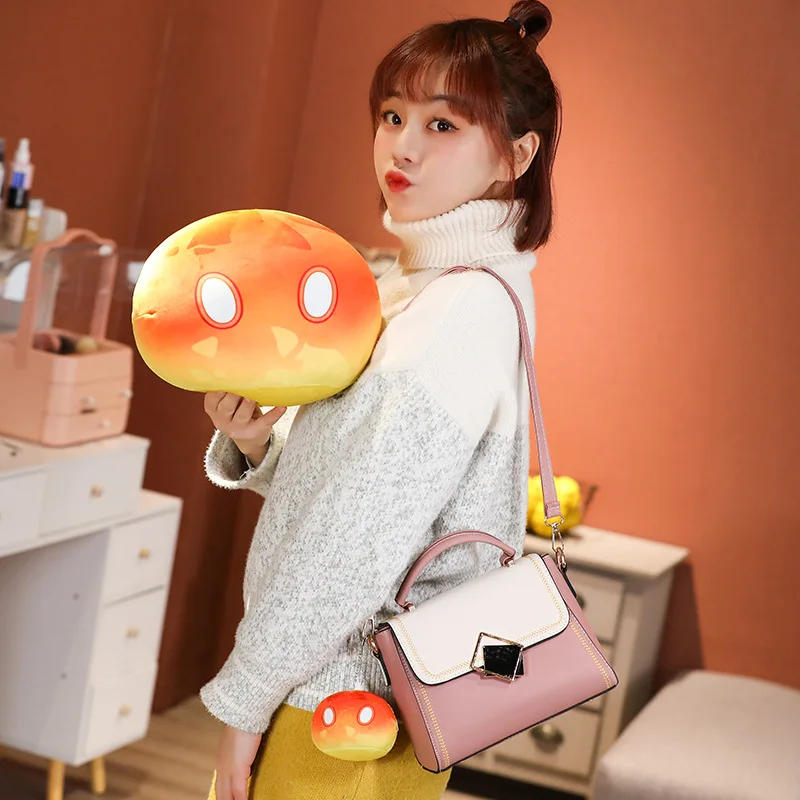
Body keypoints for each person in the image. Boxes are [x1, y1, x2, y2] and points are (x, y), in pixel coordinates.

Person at [202, 2, 561, 798]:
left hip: (344, 709)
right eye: (393, 115)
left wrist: (244, 701)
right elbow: (367, 495)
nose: (402, 145)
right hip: (351, 697)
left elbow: (352, 540)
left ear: (516, 154)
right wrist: (259, 446)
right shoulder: (425, 288)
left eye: (443, 125)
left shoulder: (459, 310)